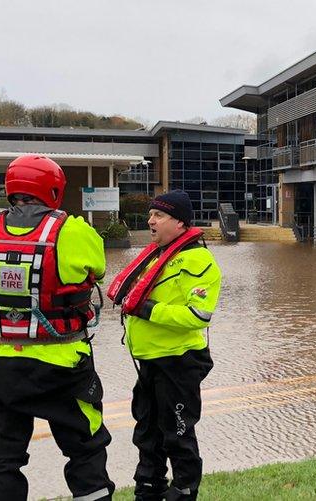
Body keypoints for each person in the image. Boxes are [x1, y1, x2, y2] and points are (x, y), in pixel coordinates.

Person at [0, 154, 115, 501]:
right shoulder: (74, 231)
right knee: (85, 450)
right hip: (61, 364)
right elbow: (99, 270)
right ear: (54, 191)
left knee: (1, 459)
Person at [107, 189, 221, 501]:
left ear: (180, 223)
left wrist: (148, 310)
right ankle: (148, 487)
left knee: (178, 434)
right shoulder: (158, 256)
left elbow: (198, 315)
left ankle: (184, 489)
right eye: (151, 214)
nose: (150, 220)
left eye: (159, 215)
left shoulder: (199, 261)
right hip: (149, 360)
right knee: (147, 431)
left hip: (178, 362)